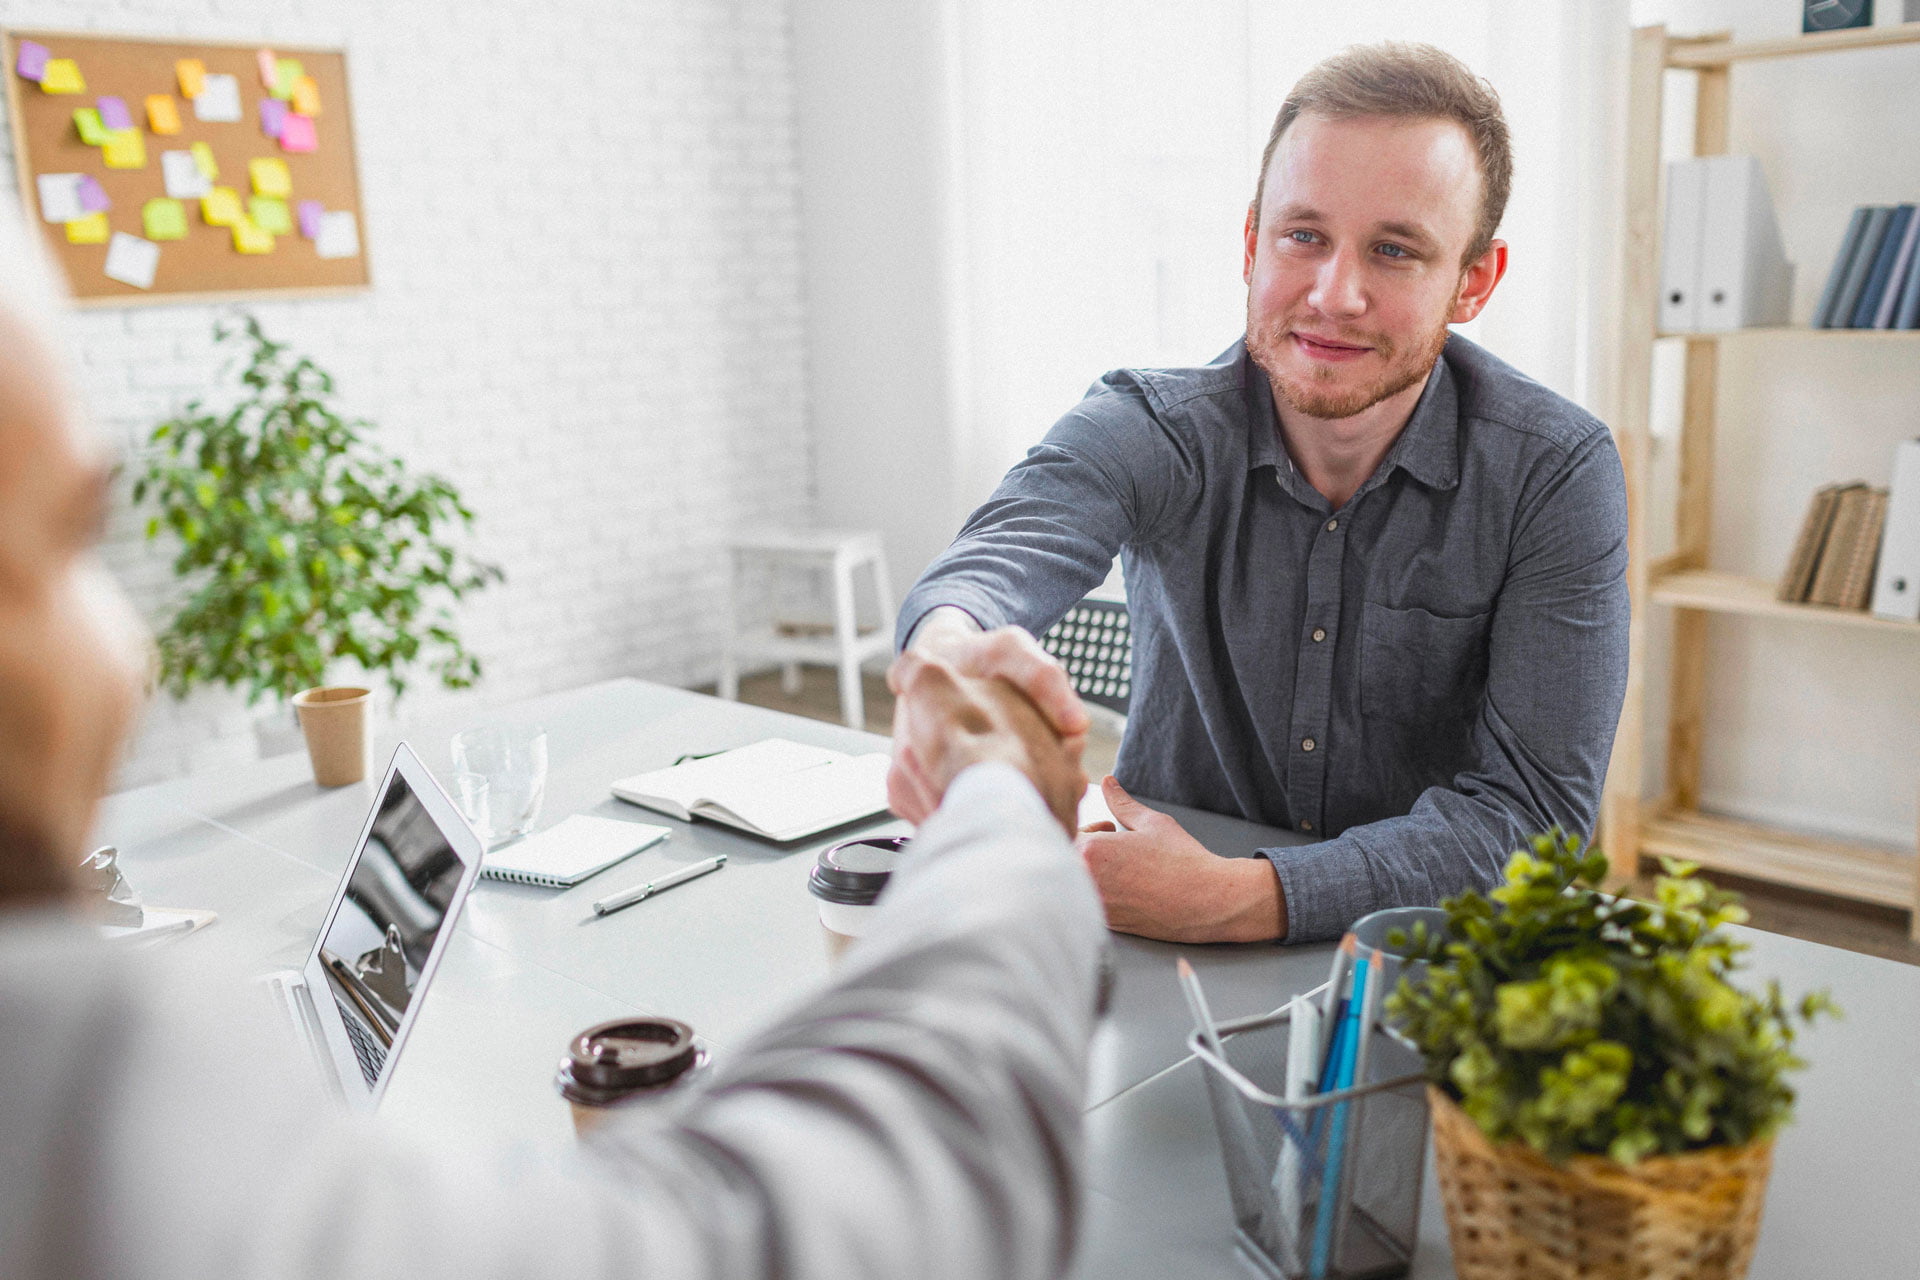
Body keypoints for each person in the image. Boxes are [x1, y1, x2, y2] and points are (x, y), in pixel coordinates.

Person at [0, 202, 1104, 1280]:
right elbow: (839, 1209)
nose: (126, 652)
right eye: (63, 544)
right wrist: (998, 795)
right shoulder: (81, 1103)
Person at [888, 42, 1630, 946]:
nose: (1334, 293)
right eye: (1303, 236)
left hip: (1424, 965)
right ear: (1251, 243)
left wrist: (1244, 896)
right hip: (1155, 945)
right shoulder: (1152, 424)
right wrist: (945, 652)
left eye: (1395, 251)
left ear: (1473, 281)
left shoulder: (1554, 472)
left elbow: (1536, 817)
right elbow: (997, 558)